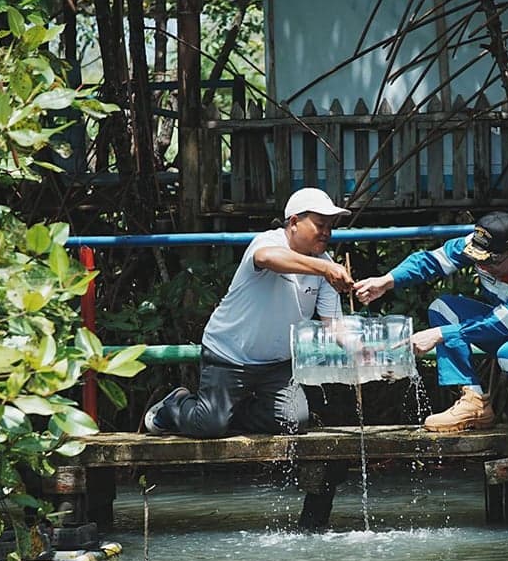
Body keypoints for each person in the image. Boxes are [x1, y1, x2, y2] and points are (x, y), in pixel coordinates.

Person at [143, 187, 355, 439]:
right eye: (320, 225)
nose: (327, 233)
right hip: (229, 354)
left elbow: (334, 326)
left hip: (277, 364)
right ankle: (175, 405)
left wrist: (364, 350)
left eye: (331, 226)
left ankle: (225, 412)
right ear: (295, 222)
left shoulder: (326, 267)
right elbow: (266, 258)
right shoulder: (270, 242)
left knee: (293, 421)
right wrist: (323, 268)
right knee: (209, 427)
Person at [353, 211, 508, 431]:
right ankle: (474, 402)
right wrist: (387, 280)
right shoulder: (481, 245)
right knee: (443, 308)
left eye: (491, 261)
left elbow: (503, 323)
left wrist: (440, 335)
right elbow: (432, 261)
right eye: (478, 260)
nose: (483, 266)